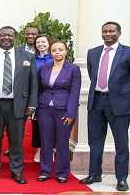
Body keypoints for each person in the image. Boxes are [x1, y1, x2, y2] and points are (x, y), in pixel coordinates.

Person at [80, 21, 130, 192]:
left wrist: (125, 95)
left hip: (120, 104)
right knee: (95, 142)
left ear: (119, 33)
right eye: (105, 31)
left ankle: (122, 178)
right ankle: (95, 174)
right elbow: (92, 73)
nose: (108, 34)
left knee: (121, 143)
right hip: (96, 102)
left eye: (111, 31)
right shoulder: (92, 53)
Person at [0, 26, 38, 184]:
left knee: (16, 140)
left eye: (9, 35)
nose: (6, 38)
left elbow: (33, 83)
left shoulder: (28, 56)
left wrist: (32, 104)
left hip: (18, 105)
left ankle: (16, 171)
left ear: (15, 37)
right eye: (3, 35)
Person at [36, 41, 81, 183]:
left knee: (62, 142)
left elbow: (75, 93)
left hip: (63, 109)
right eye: (54, 50)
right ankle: (45, 171)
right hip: (44, 109)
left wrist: (71, 113)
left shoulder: (73, 69)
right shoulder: (44, 68)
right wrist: (36, 107)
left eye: (60, 49)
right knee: (46, 141)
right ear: (51, 52)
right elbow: (39, 89)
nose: (57, 52)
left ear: (66, 51)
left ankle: (62, 172)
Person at [4, 25, 39, 157]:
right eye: (28, 34)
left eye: (33, 34)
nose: (30, 36)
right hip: (20, 93)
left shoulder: (43, 49)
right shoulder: (17, 50)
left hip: (41, 91)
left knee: (39, 125)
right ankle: (14, 147)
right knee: (18, 125)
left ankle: (40, 149)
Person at [31, 34, 53, 162]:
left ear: (49, 43)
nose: (41, 44)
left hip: (53, 95)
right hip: (37, 94)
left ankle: (52, 149)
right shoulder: (32, 59)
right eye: (38, 42)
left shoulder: (55, 57)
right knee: (38, 124)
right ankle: (39, 149)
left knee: (52, 123)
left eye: (43, 42)